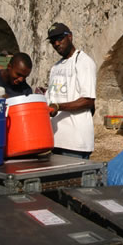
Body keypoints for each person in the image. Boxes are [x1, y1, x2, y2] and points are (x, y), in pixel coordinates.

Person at [46, 23, 97, 159]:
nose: (56, 44)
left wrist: (59, 107)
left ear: (70, 37)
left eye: (60, 39)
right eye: (52, 41)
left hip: (75, 143)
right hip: (55, 140)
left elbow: (88, 100)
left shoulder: (83, 62)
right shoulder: (55, 68)